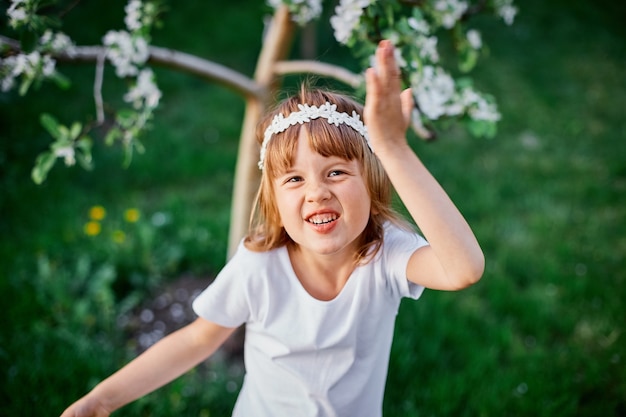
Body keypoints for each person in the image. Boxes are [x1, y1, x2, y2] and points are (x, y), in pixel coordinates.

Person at [60, 40, 484, 417]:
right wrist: (102, 400)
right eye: (295, 179)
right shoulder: (259, 267)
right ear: (275, 203)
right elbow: (197, 340)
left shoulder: (386, 254)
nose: (316, 192)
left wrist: (393, 150)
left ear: (373, 183)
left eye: (335, 172)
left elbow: (462, 269)